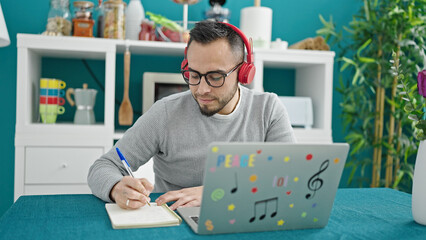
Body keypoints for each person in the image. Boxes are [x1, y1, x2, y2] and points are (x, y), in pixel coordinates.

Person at [87, 20, 296, 211]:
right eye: (194, 75)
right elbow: (104, 166)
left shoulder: (268, 110)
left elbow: (290, 179)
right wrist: (116, 187)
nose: (202, 89)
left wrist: (216, 194)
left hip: (246, 216)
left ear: (243, 72)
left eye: (215, 77)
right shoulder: (165, 113)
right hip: (176, 221)